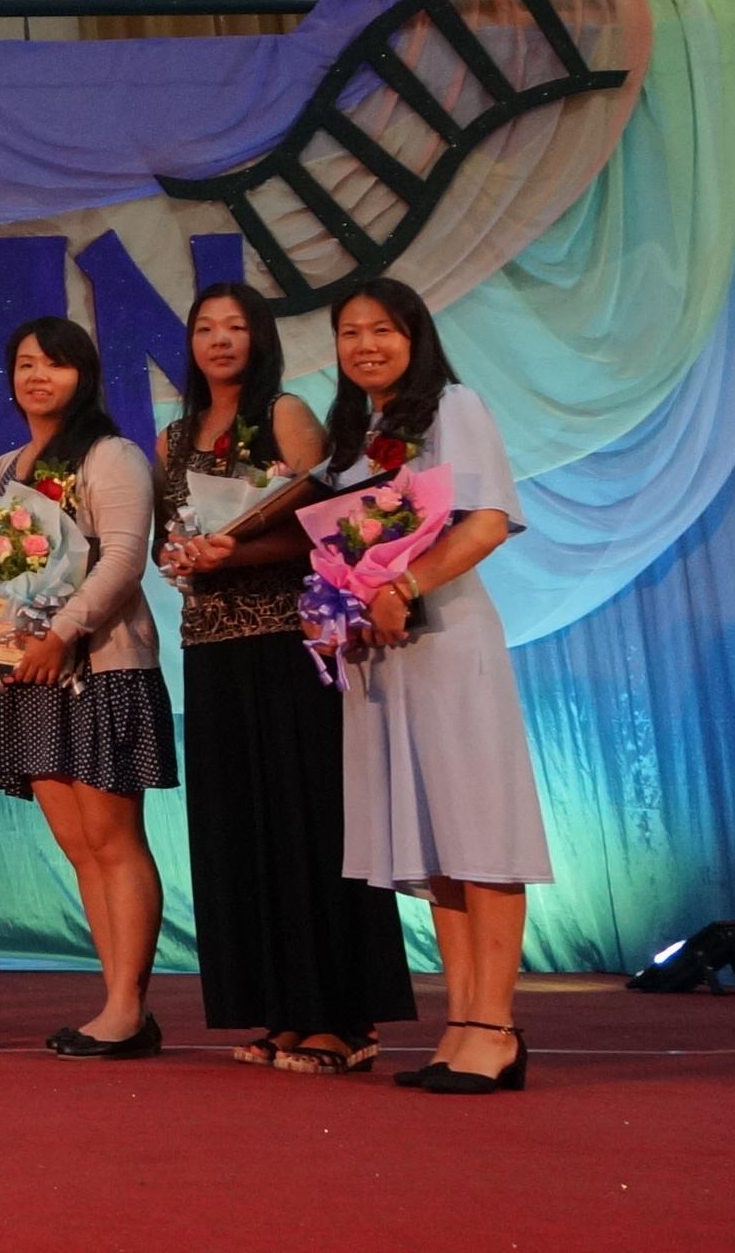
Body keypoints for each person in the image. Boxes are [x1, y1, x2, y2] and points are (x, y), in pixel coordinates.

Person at [156, 283, 413, 1075]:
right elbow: (183, 533)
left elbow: (327, 527)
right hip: (211, 645)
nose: (221, 340)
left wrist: (242, 552)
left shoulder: (286, 414)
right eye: (206, 328)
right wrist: (184, 560)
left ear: (261, 339)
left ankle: (342, 1015)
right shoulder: (172, 437)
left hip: (290, 641)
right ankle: (279, 1009)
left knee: (310, 821)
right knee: (240, 830)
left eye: (237, 328)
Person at [315, 278, 546, 1095]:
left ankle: (498, 1026)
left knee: (481, 834)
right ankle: (461, 1023)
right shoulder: (356, 436)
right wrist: (339, 602)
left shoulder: (454, 406)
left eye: (383, 330)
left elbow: (486, 519)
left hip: (447, 643)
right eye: (349, 333)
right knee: (437, 846)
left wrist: (405, 586)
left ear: (416, 336)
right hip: (383, 657)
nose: (365, 346)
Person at [0, 317, 173, 1061]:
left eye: (54, 366)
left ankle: (129, 1007)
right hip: (32, 675)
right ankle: (114, 998)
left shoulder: (111, 454)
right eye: (26, 364)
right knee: (78, 847)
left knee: (115, 841)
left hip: (101, 668)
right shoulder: (2, 467)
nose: (38, 377)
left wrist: (60, 634)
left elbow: (124, 560)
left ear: (83, 375)